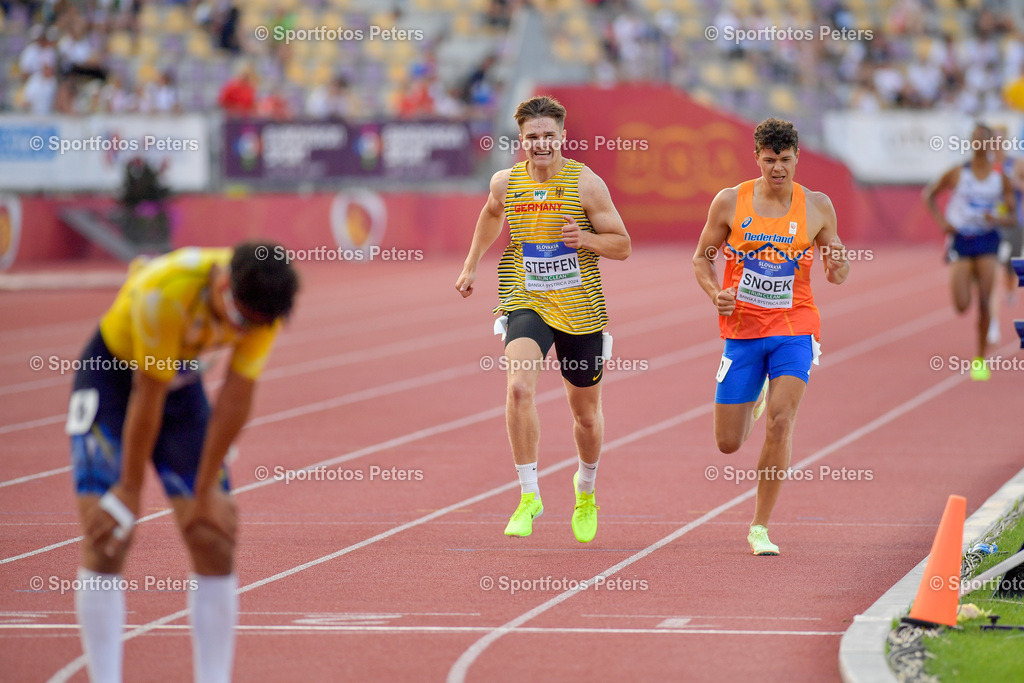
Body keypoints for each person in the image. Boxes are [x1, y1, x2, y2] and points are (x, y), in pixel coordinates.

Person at [69, 243, 299, 682]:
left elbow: (236, 396)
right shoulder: (166, 291)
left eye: (253, 324)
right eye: (238, 319)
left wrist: (207, 486)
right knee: (108, 532)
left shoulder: (264, 306)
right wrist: (129, 489)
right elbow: (147, 394)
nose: (243, 328)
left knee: (212, 535)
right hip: (116, 378)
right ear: (223, 283)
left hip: (179, 379)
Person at [455, 95, 630, 543]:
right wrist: (472, 263)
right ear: (522, 140)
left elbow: (622, 245)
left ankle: (585, 490)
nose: (540, 144)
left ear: (562, 137)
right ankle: (529, 495)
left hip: (579, 306)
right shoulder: (504, 182)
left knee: (586, 416)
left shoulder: (586, 185)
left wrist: (586, 239)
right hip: (525, 296)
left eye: (548, 135)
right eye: (532, 137)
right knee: (517, 387)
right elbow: (491, 215)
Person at [692, 117, 849, 556]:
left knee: (782, 422)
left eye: (784, 160)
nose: (777, 168)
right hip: (742, 330)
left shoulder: (817, 206)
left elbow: (838, 270)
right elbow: (701, 260)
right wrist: (715, 294)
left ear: (797, 157)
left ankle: (760, 526)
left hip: (795, 327)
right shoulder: (729, 202)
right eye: (769, 160)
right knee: (728, 444)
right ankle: (754, 395)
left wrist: (838, 266)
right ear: (756, 157)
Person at [923, 123, 1018, 380]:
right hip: (962, 240)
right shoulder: (957, 173)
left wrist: (996, 217)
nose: (979, 143)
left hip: (987, 239)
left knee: (986, 301)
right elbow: (928, 195)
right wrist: (943, 223)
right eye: (974, 139)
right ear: (971, 143)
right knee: (962, 305)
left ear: (990, 144)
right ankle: (972, 280)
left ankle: (980, 358)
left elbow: (1011, 214)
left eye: (983, 139)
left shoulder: (1000, 179)